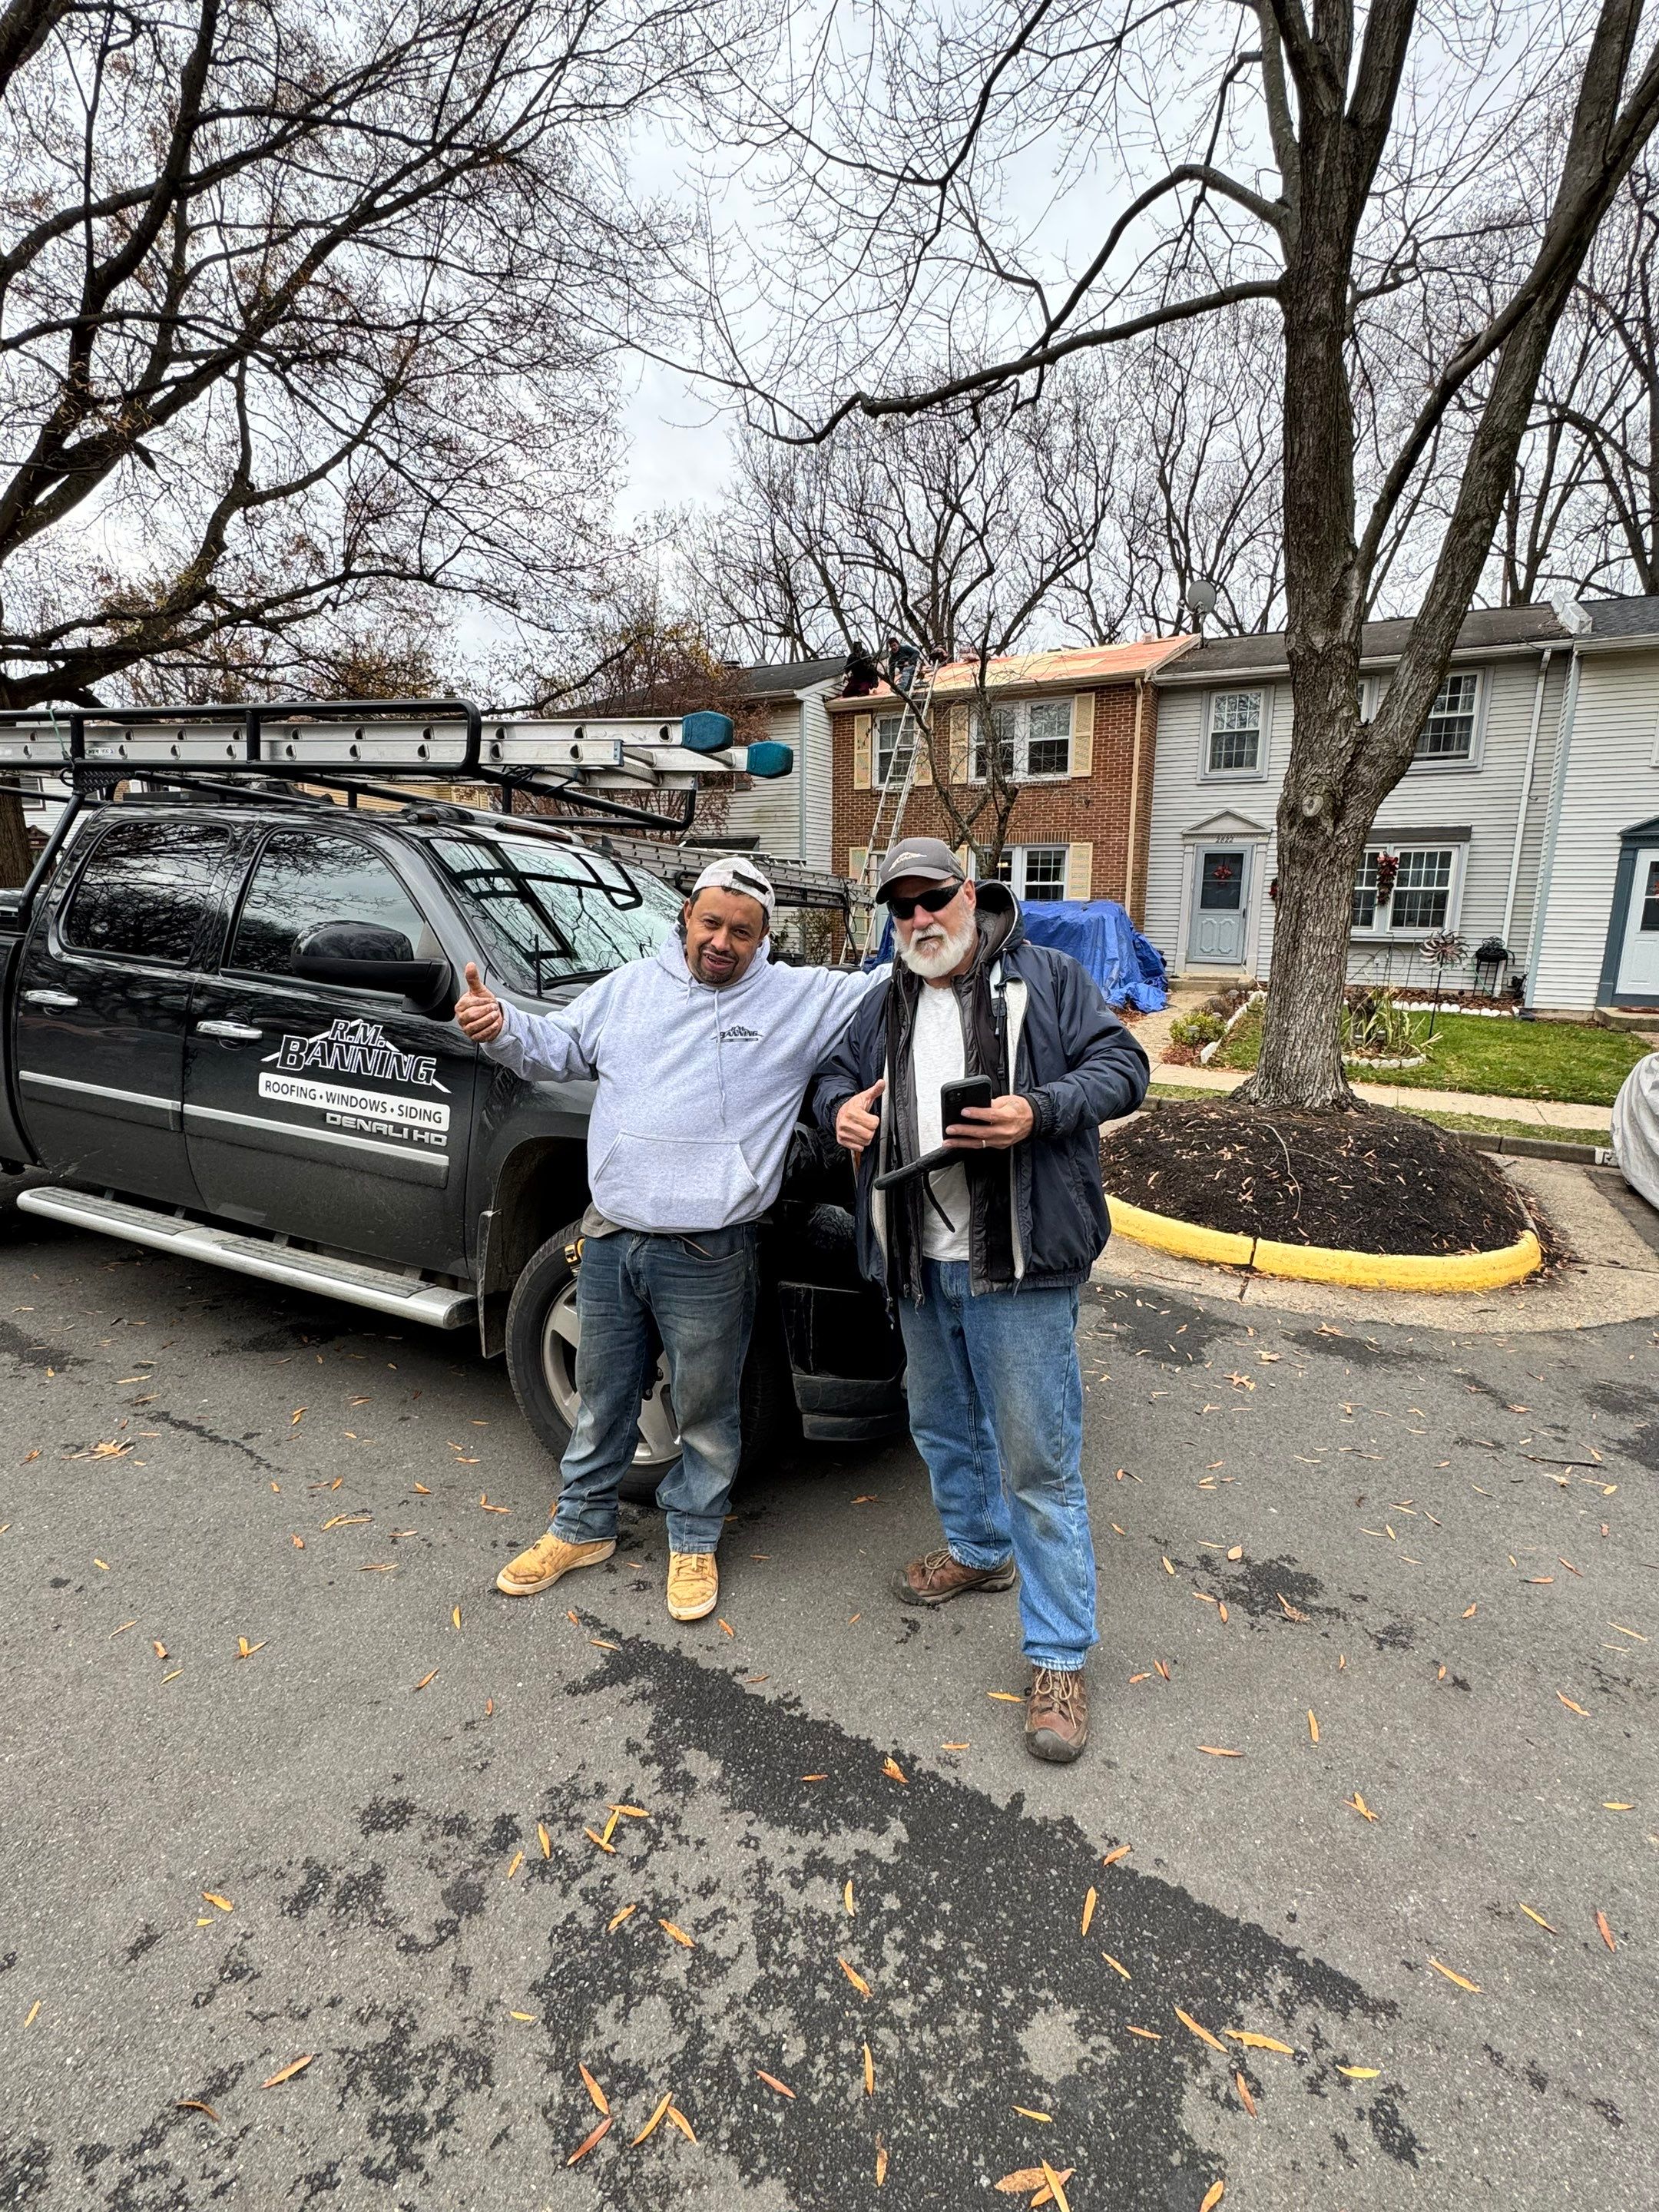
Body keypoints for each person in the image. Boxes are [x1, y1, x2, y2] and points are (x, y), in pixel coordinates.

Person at [455, 856, 884, 1624]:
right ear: (686, 917)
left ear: (763, 938)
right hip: (614, 1235)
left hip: (711, 1250)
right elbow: (554, 1047)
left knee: (707, 1406)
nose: (722, 942)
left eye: (742, 932)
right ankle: (581, 1525)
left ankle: (692, 1536)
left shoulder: (799, 999)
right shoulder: (627, 990)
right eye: (711, 923)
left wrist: (962, 927)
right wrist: (500, 1028)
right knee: (602, 1392)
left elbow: (903, 986)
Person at [812, 838, 1148, 1763]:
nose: (920, 919)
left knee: (1039, 1462)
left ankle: (1058, 1655)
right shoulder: (884, 998)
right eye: (902, 907)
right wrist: (840, 1112)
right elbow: (833, 1081)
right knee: (944, 1426)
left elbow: (1124, 1069)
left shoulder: (1049, 976)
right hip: (918, 1258)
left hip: (1022, 1260)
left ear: (972, 893)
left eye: (934, 899)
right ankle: (976, 1549)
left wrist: (1037, 1110)